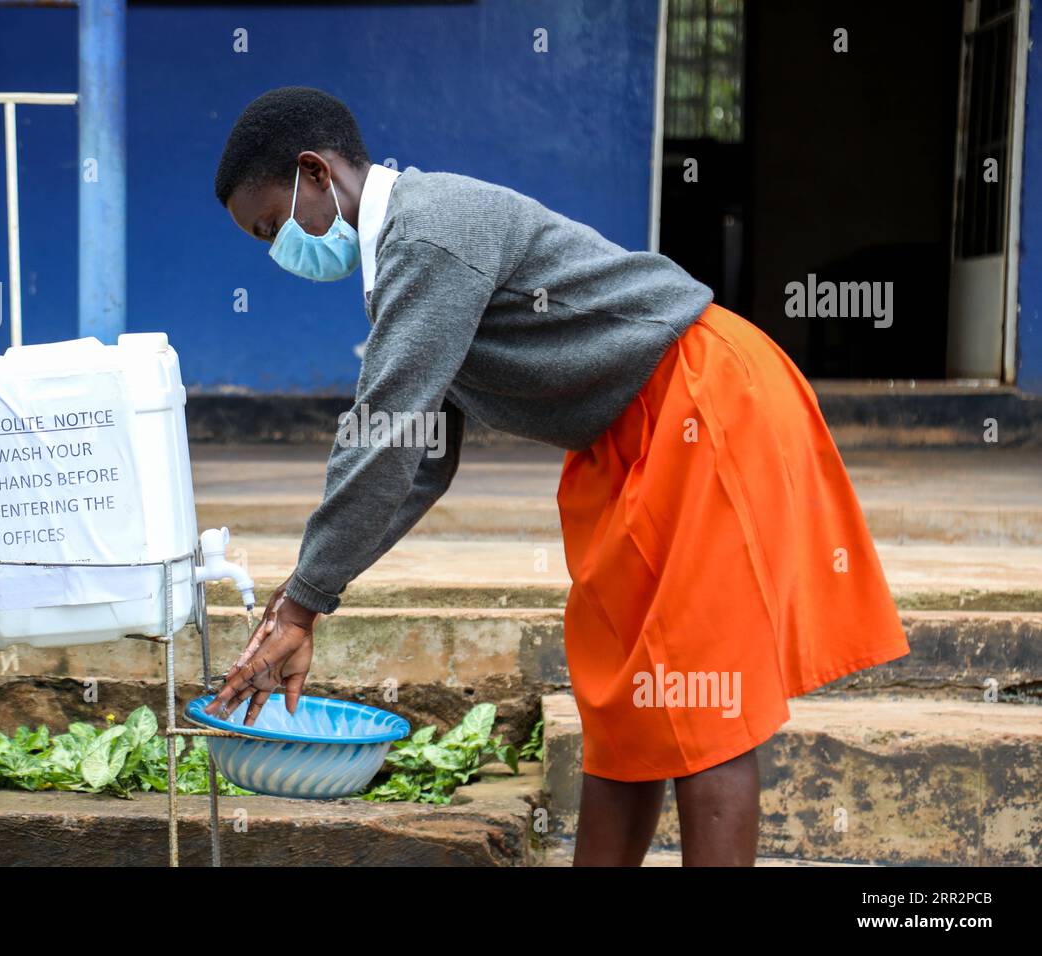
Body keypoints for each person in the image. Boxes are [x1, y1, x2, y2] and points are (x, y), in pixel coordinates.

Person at [205, 86, 909, 865]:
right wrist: (305, 597)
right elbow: (420, 462)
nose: (279, 251)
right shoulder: (402, 263)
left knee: (700, 702)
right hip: (622, 437)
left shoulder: (428, 234)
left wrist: (303, 602)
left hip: (700, 401)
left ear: (314, 172)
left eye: (274, 226)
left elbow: (388, 435)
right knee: (624, 707)